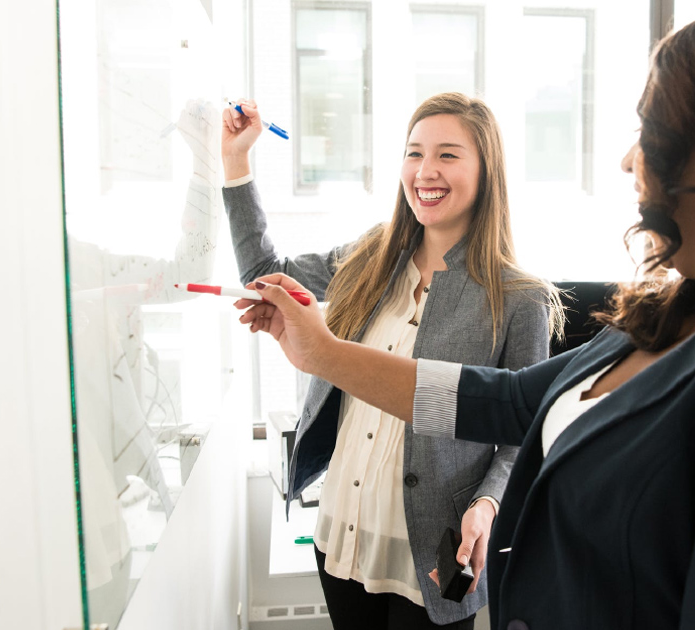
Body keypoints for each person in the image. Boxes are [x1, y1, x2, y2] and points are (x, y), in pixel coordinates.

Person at [234, 5, 695, 629]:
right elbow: (508, 401)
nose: (629, 161)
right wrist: (321, 352)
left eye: (648, 127)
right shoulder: (663, 319)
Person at [221, 92, 560, 629]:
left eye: (448, 154)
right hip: (342, 531)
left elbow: (525, 432)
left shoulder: (518, 298)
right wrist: (237, 161)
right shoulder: (371, 256)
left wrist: (489, 504)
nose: (426, 171)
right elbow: (264, 271)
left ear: (486, 170)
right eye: (414, 153)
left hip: (434, 550)